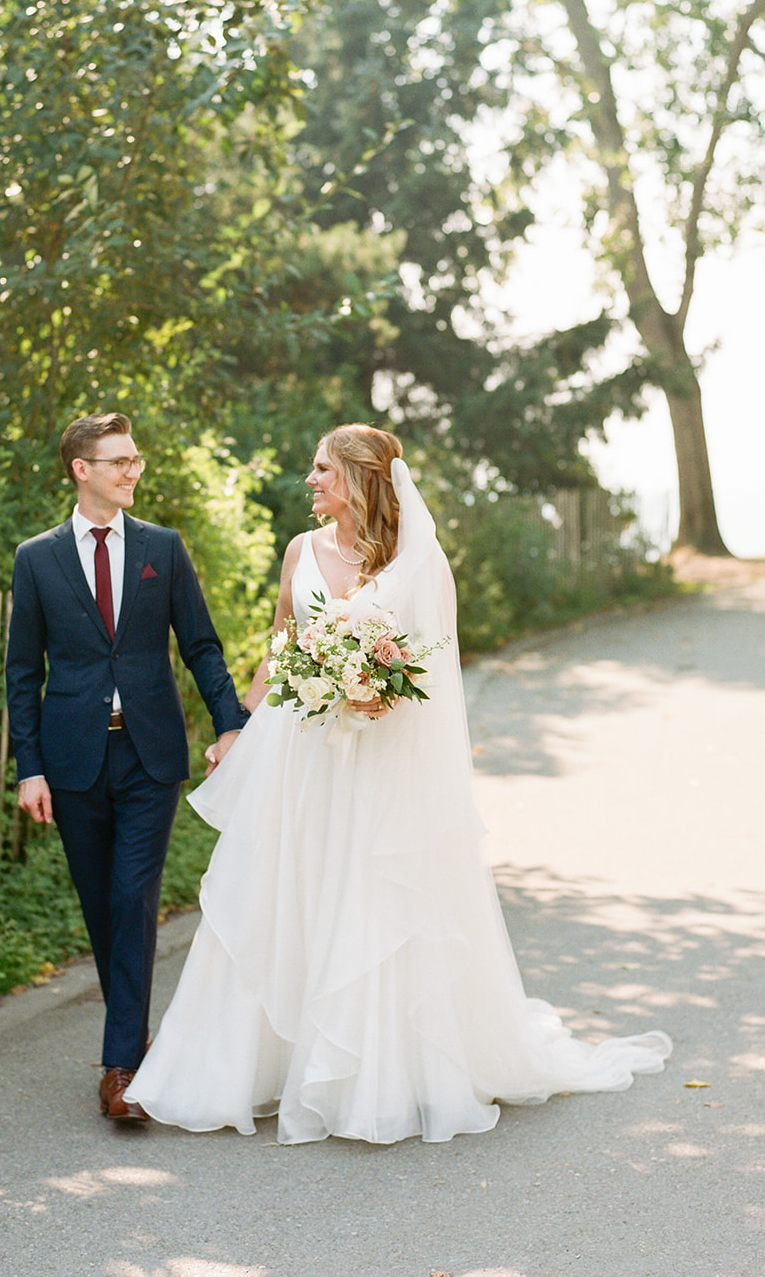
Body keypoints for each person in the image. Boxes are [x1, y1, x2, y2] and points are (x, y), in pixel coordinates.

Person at [126, 423, 671, 1143]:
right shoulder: (300, 551)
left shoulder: (418, 562)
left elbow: (432, 677)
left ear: (357, 479)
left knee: (367, 900)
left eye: (321, 470)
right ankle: (257, 1065)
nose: (310, 481)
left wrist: (379, 690)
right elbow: (279, 649)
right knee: (290, 892)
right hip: (304, 756)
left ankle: (375, 1077)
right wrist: (238, 727)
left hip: (382, 763)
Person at [5, 412, 248, 1122]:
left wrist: (231, 724)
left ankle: (121, 1074)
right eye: (118, 462)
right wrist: (30, 768)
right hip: (73, 758)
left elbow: (200, 645)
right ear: (81, 469)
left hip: (149, 754)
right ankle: (135, 1043)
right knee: (101, 908)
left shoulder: (162, 549)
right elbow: (23, 672)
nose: (132, 471)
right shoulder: (37, 557)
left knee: (134, 898)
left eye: (135, 460)